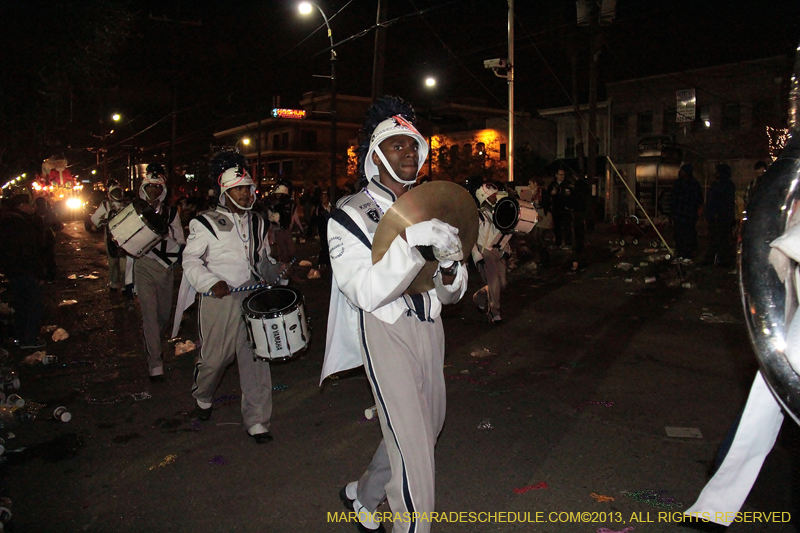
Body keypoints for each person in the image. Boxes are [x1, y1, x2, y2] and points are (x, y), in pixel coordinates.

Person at [321, 96, 468, 533]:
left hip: (430, 326)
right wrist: (410, 244)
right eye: (397, 145)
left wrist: (450, 267)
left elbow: (451, 293)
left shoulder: (432, 204)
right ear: (376, 155)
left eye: (413, 145)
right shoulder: (350, 213)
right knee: (413, 448)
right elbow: (364, 291)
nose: (408, 152)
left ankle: (363, 496)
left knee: (426, 428)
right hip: (385, 328)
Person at [182, 154, 277, 444]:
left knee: (255, 356)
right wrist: (211, 282)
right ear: (225, 192)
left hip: (251, 297)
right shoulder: (204, 222)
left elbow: (263, 257)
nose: (246, 194)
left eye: (248, 188)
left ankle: (257, 420)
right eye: (239, 189)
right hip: (219, 297)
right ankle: (203, 395)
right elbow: (190, 260)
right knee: (215, 359)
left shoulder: (259, 222)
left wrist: (275, 271)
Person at [133, 164, 185, 382]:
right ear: (143, 188)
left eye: (157, 187)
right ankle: (155, 362)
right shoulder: (134, 211)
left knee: (163, 316)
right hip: (143, 265)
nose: (153, 191)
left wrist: (165, 233)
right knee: (150, 316)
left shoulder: (171, 213)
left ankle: (155, 344)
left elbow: (180, 241)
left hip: (165, 269)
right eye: (150, 186)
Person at [0, 194, 47, 350]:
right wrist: (39, 272)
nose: (32, 207)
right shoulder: (20, 223)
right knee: (31, 304)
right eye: (29, 204)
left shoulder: (7, 220)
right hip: (25, 271)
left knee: (20, 305)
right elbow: (29, 251)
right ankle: (29, 339)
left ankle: (21, 337)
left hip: (13, 271)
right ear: (21, 205)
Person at [471, 182, 510, 324]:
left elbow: (504, 232)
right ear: (485, 198)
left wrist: (506, 249)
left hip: (498, 249)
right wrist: (476, 255)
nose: (495, 197)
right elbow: (471, 237)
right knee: (494, 283)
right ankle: (494, 313)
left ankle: (480, 296)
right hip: (485, 251)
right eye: (492, 195)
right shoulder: (477, 215)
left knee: (502, 284)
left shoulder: (498, 212)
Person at [90, 182, 127, 291]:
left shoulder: (126, 204)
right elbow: (94, 218)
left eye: (119, 192)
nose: (117, 194)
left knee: (125, 263)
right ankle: (114, 282)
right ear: (110, 194)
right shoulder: (106, 205)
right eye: (115, 192)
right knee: (113, 260)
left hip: (125, 235)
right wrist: (102, 222)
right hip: (110, 236)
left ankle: (125, 285)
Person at [702, 163, 737, 267]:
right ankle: (714, 258)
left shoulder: (726, 185)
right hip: (716, 217)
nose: (715, 173)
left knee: (722, 239)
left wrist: (718, 213)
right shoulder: (716, 185)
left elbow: (725, 202)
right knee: (714, 238)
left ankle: (722, 259)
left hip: (722, 217)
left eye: (717, 172)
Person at [669, 163, 703, 263]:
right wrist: (672, 212)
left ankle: (688, 255)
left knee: (688, 234)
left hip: (688, 215)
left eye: (682, 171)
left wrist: (694, 211)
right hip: (678, 214)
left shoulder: (693, 184)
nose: (680, 172)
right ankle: (680, 254)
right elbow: (673, 198)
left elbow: (698, 199)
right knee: (678, 234)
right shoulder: (678, 184)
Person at [33, 196, 63, 282]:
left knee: (43, 258)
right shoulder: (48, 215)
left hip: (42, 240)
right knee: (48, 258)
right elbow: (58, 226)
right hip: (46, 240)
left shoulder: (34, 216)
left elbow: (58, 226)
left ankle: (45, 277)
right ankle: (49, 277)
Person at [543, 168, 573, 249]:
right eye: (560, 175)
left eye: (563, 175)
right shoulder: (552, 185)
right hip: (556, 208)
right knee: (557, 226)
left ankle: (568, 243)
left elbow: (572, 195)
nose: (562, 176)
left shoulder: (567, 184)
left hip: (565, 208)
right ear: (556, 175)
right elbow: (547, 195)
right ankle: (558, 242)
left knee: (567, 226)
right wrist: (552, 194)